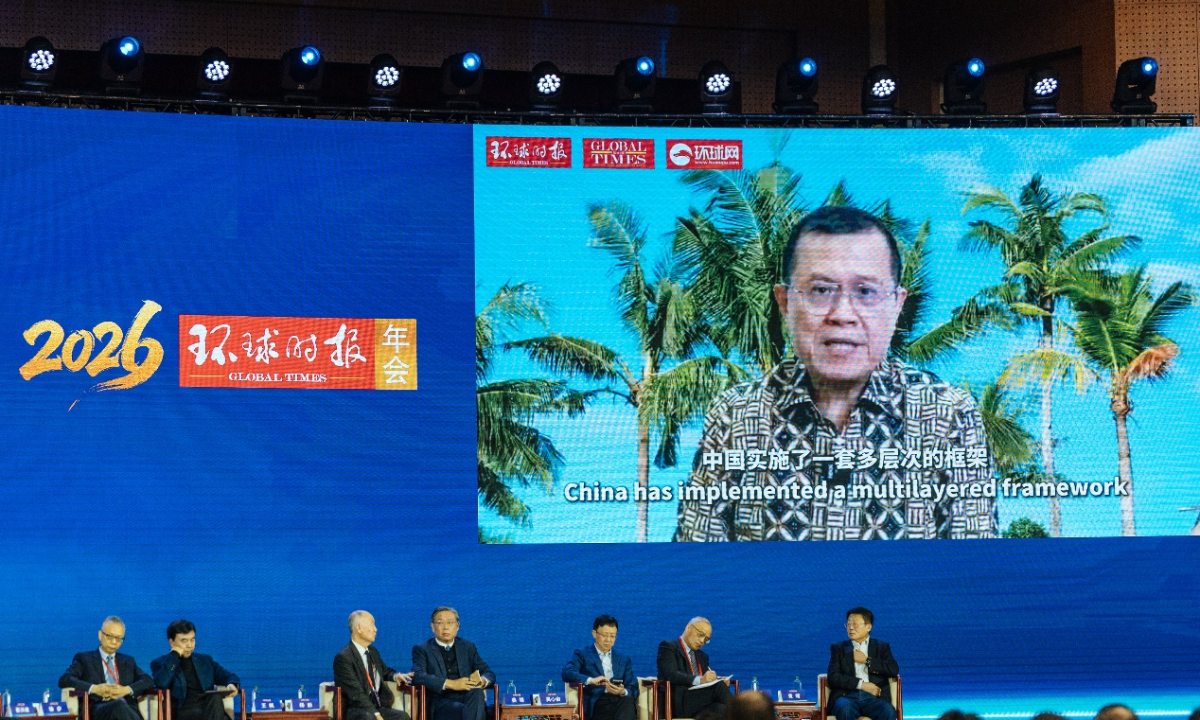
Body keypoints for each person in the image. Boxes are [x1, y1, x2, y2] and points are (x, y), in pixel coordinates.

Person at [675, 205, 998, 541]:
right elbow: (695, 559)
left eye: (866, 292)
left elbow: (976, 564)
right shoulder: (735, 414)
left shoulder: (947, 413)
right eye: (820, 290)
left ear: (897, 305)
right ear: (785, 302)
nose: (843, 314)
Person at [59, 616, 154, 720]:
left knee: (120, 704)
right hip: (98, 710)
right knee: (118, 705)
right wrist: (95, 689)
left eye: (119, 638)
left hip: (126, 708)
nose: (114, 642)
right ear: (100, 635)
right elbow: (65, 679)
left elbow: (148, 680)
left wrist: (126, 690)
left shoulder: (128, 661)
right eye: (110, 636)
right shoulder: (84, 659)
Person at [412, 607, 495, 720]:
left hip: (467, 698)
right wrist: (451, 684)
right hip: (440, 702)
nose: (445, 627)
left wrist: (483, 681)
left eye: (450, 622)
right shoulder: (422, 649)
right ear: (432, 627)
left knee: (476, 693)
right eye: (440, 623)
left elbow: (488, 673)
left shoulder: (467, 647)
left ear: (457, 626)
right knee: (467, 710)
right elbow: (417, 676)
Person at [150, 619, 240, 720]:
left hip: (208, 709)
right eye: (184, 641)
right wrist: (174, 656)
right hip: (182, 712)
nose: (190, 645)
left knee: (215, 698)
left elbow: (228, 676)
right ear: (171, 642)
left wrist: (231, 683)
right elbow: (161, 683)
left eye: (192, 640)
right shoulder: (160, 663)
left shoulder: (205, 660)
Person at [334, 611, 414, 720]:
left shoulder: (373, 651)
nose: (375, 629)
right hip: (355, 709)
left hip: (376, 706)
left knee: (402, 717)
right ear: (359, 628)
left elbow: (384, 671)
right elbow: (355, 693)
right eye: (372, 625)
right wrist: (376, 714)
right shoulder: (343, 657)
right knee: (369, 717)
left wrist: (396, 676)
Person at [826, 607, 898, 720]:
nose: (851, 628)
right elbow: (833, 676)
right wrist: (861, 685)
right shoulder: (839, 648)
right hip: (847, 697)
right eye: (848, 624)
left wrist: (867, 660)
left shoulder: (881, 647)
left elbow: (893, 669)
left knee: (888, 711)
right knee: (845, 709)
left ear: (868, 627)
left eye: (855, 624)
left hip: (874, 698)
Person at [561, 615, 638, 720]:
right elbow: (567, 672)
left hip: (620, 700)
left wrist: (622, 691)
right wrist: (591, 680)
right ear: (594, 633)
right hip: (597, 703)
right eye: (605, 635)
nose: (608, 640)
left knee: (627, 700)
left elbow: (633, 687)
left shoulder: (623, 659)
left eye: (612, 636)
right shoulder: (582, 654)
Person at [656, 617, 732, 720]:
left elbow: (706, 680)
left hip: (698, 705)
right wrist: (700, 680)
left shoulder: (702, 656)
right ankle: (744, 712)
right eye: (700, 635)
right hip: (676, 702)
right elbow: (671, 674)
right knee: (718, 687)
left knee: (721, 708)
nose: (702, 641)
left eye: (706, 639)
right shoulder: (668, 647)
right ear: (688, 628)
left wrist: (718, 679)